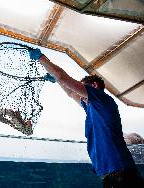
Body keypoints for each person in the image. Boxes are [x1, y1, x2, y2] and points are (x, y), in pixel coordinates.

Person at [29, 49, 144, 188]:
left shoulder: (101, 99)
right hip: (111, 173)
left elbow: (62, 78)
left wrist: (41, 58)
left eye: (82, 88)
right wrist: (57, 79)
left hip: (121, 171)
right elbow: (71, 92)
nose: (80, 93)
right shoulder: (92, 107)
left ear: (94, 86)